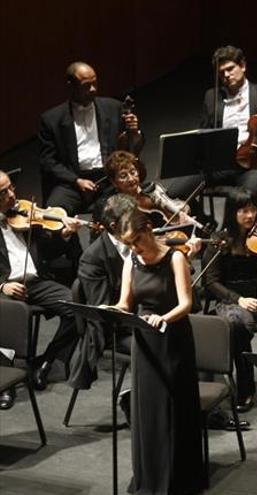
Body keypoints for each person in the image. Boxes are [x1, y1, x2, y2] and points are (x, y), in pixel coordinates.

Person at [113, 208, 204, 494]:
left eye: (137, 240)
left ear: (149, 229)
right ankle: (150, 477)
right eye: (129, 243)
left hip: (172, 339)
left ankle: (177, 478)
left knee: (172, 407)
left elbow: (186, 304)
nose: (135, 247)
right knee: (149, 410)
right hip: (145, 343)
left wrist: (163, 318)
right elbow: (125, 303)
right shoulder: (131, 260)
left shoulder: (175, 257)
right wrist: (110, 310)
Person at [202, 188, 257, 412]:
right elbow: (210, 282)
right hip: (232, 298)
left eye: (253, 209)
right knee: (238, 325)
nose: (250, 215)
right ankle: (246, 388)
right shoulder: (219, 241)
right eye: (244, 210)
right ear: (233, 212)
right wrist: (239, 300)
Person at [0, 170, 83, 406]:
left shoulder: (25, 214)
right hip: (5, 288)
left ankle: (46, 363)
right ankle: (5, 382)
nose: (12, 195)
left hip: (35, 282)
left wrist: (65, 234)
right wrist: (3, 285)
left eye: (11, 188)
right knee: (4, 317)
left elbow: (49, 250)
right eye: (3, 192)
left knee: (77, 307)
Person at [170, 45, 257, 201]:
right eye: (221, 72)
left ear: (243, 66)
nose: (226, 75)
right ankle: (202, 222)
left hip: (254, 166)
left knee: (243, 198)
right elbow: (204, 134)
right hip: (220, 165)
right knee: (175, 194)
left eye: (230, 69)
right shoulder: (211, 96)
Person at [38, 61, 142, 216]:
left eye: (95, 83)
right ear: (70, 86)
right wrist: (76, 181)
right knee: (54, 217)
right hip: (72, 183)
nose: (93, 89)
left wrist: (134, 132)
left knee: (126, 208)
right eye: (86, 85)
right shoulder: (51, 120)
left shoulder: (114, 107)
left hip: (109, 178)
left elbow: (132, 150)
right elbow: (48, 161)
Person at [67, 194, 137, 392]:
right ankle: (139, 403)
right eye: (132, 220)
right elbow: (103, 311)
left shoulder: (140, 242)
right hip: (118, 329)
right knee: (162, 347)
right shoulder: (92, 259)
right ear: (115, 225)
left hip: (148, 315)